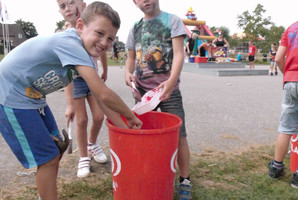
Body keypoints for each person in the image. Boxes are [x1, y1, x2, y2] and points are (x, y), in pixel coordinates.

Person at [0, 2, 143, 199]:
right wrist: (131, 116)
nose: (104, 42)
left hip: (33, 97)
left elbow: (101, 100)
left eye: (110, 38)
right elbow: (104, 94)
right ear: (80, 26)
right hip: (9, 94)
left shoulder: (84, 52)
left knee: (56, 149)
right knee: (48, 158)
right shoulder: (70, 43)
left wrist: (127, 130)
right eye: (99, 33)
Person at [124, 0, 192, 199]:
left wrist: (171, 82)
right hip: (143, 93)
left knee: (179, 135)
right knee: (144, 135)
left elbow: (179, 54)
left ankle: (185, 179)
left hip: (168, 91)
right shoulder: (135, 27)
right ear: (135, 2)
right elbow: (130, 58)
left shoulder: (172, 21)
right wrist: (127, 74)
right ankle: (148, 173)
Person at [57, 0, 110, 178]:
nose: (68, 8)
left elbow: (102, 48)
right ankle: (83, 157)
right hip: (75, 80)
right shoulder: (65, 37)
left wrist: (105, 70)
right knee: (81, 120)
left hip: (92, 77)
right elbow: (66, 72)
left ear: (83, 4)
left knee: (98, 116)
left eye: (72, 3)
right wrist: (69, 103)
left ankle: (92, 143)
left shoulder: (93, 27)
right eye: (63, 6)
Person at [267, 20, 298, 188]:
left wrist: (287, 76)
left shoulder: (292, 28)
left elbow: (279, 57)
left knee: (286, 128)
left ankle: (276, 167)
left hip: (291, 81)